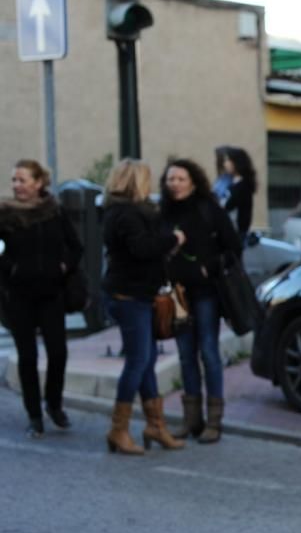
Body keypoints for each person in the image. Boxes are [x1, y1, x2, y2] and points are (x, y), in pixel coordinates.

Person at [101, 159, 188, 455]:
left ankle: (155, 425)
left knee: (147, 359)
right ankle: (118, 429)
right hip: (129, 296)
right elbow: (142, 249)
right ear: (135, 181)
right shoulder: (126, 215)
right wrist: (171, 239)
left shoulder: (124, 212)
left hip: (135, 294)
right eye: (146, 179)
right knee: (138, 360)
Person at [159, 158, 242, 444]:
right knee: (185, 355)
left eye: (181, 178)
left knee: (208, 352)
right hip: (177, 296)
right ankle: (191, 420)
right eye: (171, 179)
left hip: (206, 294)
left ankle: (214, 421)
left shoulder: (209, 209)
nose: (175, 184)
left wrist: (210, 267)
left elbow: (234, 246)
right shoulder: (163, 212)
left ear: (193, 181)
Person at [0, 159, 83, 438]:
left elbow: (75, 246)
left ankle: (54, 404)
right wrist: (11, 268)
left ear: (38, 183)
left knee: (58, 352)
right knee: (28, 356)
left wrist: (63, 266)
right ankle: (34, 414)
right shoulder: (5, 214)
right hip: (19, 295)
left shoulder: (54, 212)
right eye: (14, 180)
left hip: (51, 293)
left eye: (22, 180)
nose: (16, 185)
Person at [217, 146, 257, 244]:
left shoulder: (243, 186)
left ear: (237, 162)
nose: (225, 164)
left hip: (235, 233)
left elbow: (227, 206)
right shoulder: (230, 182)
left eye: (228, 161)